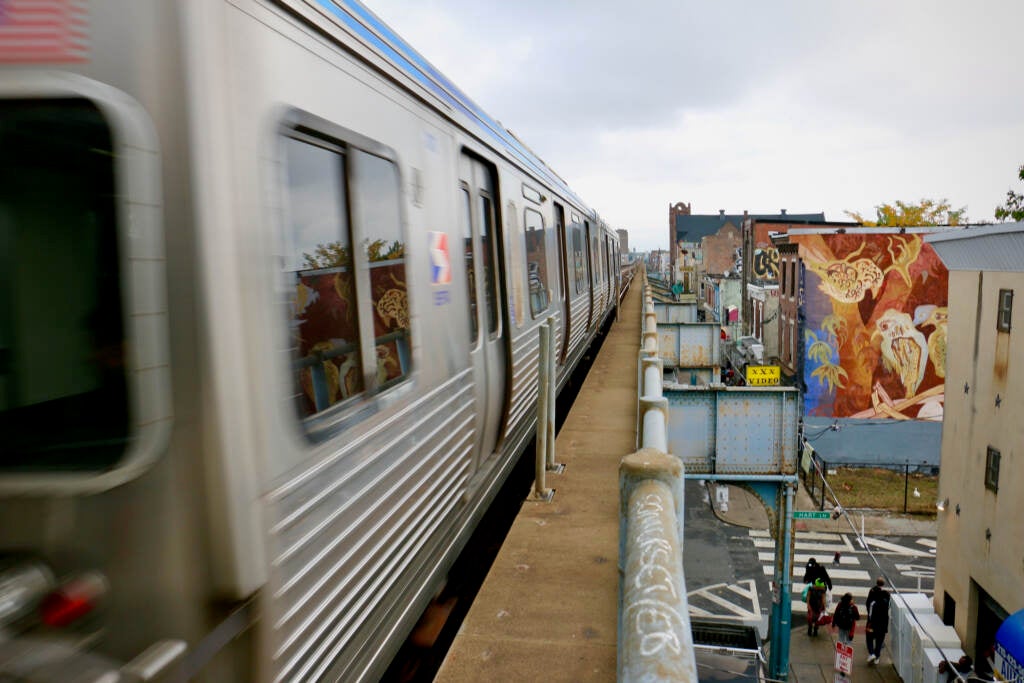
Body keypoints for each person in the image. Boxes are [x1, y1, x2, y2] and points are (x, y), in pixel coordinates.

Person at [865, 577, 891, 664]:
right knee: (879, 641)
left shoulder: (872, 593)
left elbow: (868, 605)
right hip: (882, 624)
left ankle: (872, 653)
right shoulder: (886, 596)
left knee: (869, 638)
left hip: (872, 623)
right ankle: (877, 656)